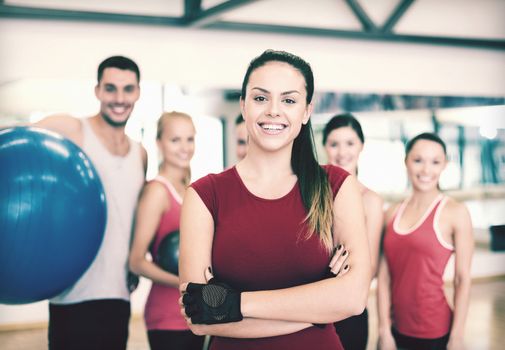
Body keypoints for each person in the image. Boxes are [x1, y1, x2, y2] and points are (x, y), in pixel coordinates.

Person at [178, 49, 371, 350]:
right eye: (260, 98)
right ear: (243, 106)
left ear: (306, 111)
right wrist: (319, 307)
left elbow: (354, 298)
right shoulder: (204, 196)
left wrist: (235, 303)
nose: (273, 111)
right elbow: (200, 317)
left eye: (289, 100)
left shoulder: (335, 187)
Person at [33, 56, 147, 350]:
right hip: (72, 292)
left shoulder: (140, 154)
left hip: (118, 292)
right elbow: (15, 141)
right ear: (97, 91)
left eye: (127, 89)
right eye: (111, 88)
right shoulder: (72, 130)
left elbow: (133, 218)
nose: (119, 99)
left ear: (138, 92)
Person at [377, 132, 474, 350]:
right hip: (395, 328)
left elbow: (462, 280)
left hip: (435, 331)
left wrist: (457, 338)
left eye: (435, 162)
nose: (426, 170)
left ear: (445, 165)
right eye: (418, 160)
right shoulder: (391, 213)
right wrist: (383, 330)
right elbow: (384, 277)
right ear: (406, 162)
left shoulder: (455, 213)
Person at [129, 112, 205, 350]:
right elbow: (136, 261)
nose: (184, 148)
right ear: (159, 143)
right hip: (166, 317)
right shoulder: (157, 192)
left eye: (189, 139)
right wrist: (185, 282)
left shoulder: (191, 189)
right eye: (175, 140)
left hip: (196, 313)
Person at [322, 113, 384, 350]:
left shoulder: (370, 200)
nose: (342, 151)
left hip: (350, 311)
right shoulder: (311, 195)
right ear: (325, 147)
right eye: (334, 144)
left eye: (350, 143)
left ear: (361, 146)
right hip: (310, 308)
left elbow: (370, 268)